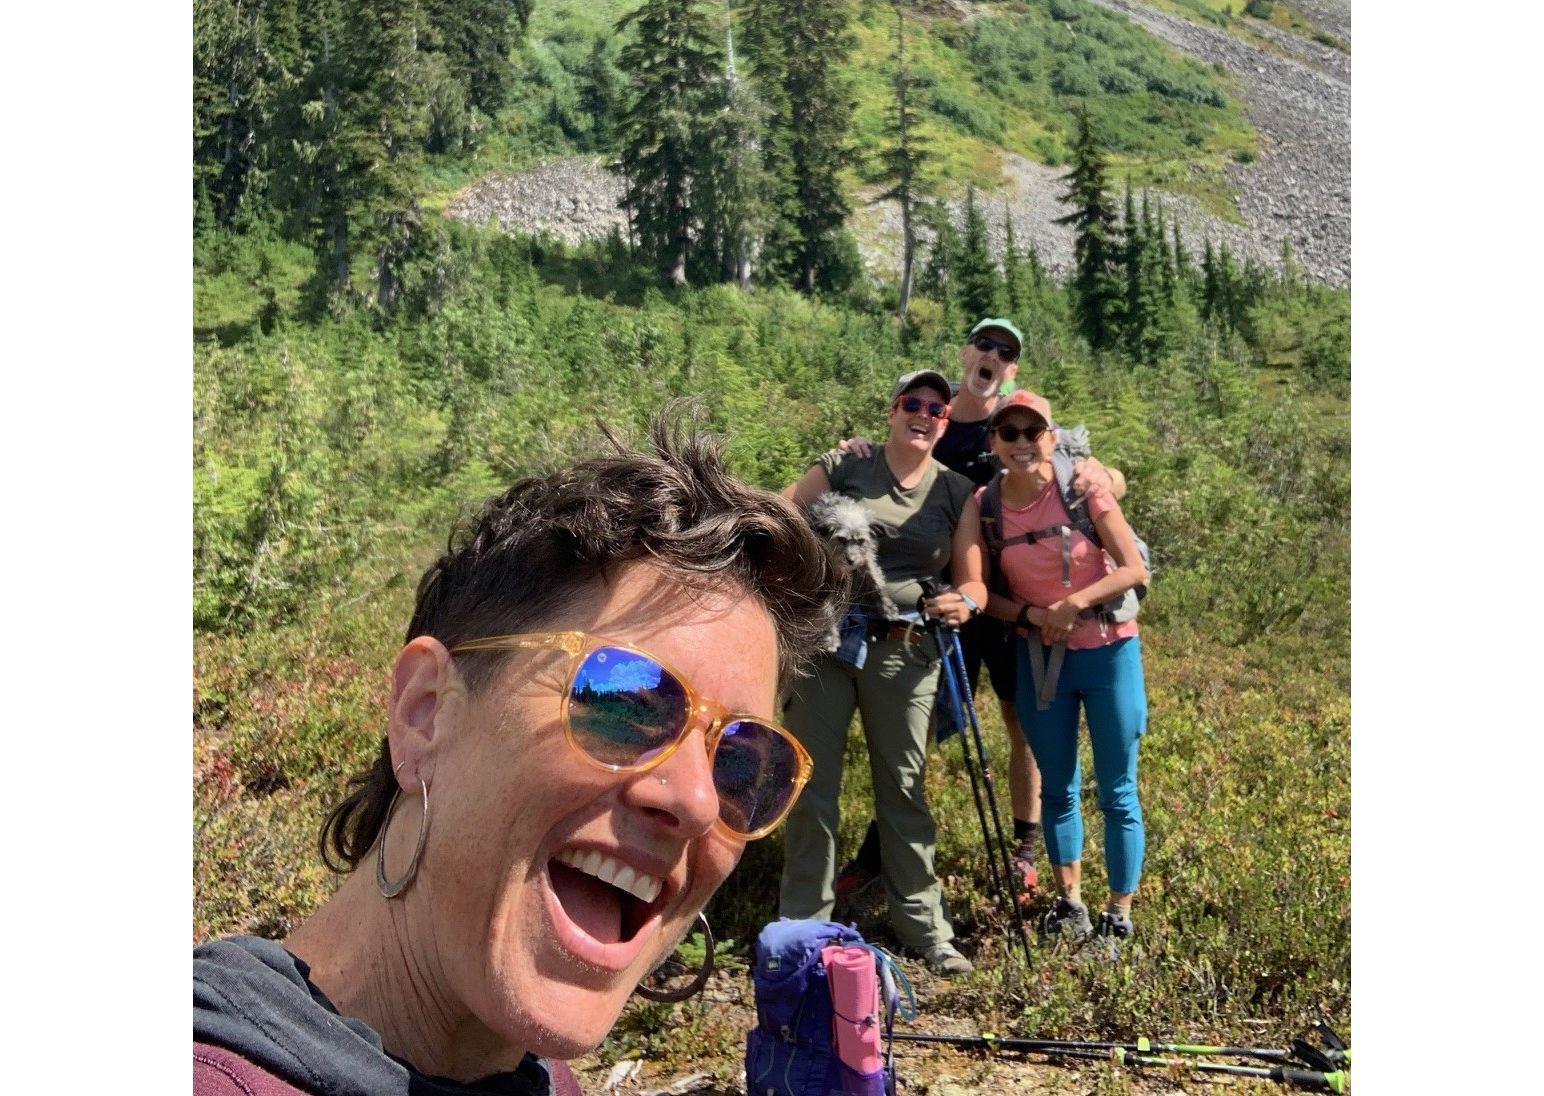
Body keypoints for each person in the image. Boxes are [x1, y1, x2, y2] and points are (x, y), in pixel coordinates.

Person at [194, 410, 847, 1096]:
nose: (695, 799)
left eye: (743, 760)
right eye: (625, 703)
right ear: (425, 714)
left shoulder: (546, 1082)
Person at [833, 319, 1126, 902]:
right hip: (952, 602)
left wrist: (1105, 472)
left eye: (1006, 351)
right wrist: (852, 451)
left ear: (1012, 368)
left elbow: (1096, 474)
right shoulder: (934, 417)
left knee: (1023, 724)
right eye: (984, 345)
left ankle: (1024, 849)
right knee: (920, 730)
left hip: (1020, 604)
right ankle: (879, 851)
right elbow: (891, 466)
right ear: (965, 351)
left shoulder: (1023, 419)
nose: (992, 355)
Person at [778, 370, 986, 978]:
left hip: (907, 648)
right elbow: (780, 519)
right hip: (826, 643)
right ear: (893, 411)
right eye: (913, 403)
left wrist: (966, 603)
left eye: (937, 409)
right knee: (811, 785)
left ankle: (925, 929)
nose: (924, 414)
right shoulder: (846, 468)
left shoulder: (957, 491)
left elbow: (974, 580)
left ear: (945, 423)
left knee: (904, 789)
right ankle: (802, 925)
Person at [962, 391, 1150, 945]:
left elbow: (1134, 569)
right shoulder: (984, 505)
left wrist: (1072, 606)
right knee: (1060, 789)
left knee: (1118, 789)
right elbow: (980, 592)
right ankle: (1070, 904)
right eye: (1009, 433)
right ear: (993, 441)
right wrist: (1033, 614)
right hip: (1040, 656)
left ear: (1052, 436)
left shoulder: (1084, 489)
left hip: (1111, 650)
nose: (1022, 443)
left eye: (1033, 431)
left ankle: (1118, 912)